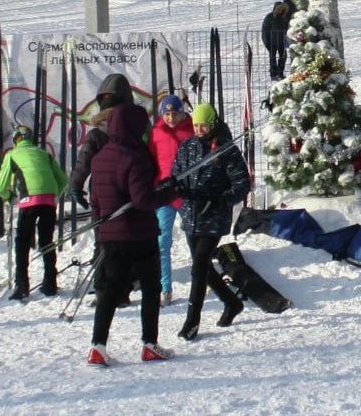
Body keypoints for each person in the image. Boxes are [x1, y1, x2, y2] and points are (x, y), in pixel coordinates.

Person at [87, 103, 177, 366]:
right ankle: (150, 344)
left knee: (110, 291)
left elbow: (95, 202)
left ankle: (98, 346)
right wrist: (170, 192)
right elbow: (142, 200)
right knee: (150, 288)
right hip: (139, 235)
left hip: (110, 237)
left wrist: (102, 229)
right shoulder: (135, 156)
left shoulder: (99, 157)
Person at [170, 102, 247, 341]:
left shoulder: (226, 150)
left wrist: (220, 200)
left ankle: (192, 321)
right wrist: (173, 187)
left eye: (203, 125)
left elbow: (242, 184)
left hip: (214, 216)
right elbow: (176, 174)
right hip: (191, 215)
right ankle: (232, 302)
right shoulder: (187, 147)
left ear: (212, 124)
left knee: (200, 263)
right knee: (201, 267)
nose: (199, 129)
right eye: (195, 125)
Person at [0, 126, 67, 300]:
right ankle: (50, 284)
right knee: (46, 242)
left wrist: (10, 196)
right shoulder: (44, 154)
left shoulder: (12, 155)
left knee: (22, 242)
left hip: (29, 201)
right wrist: (54, 195)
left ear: (16, 139)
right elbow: (63, 179)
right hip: (49, 200)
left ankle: (22, 286)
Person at [147, 95, 193, 306]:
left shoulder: (191, 130)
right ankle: (165, 287)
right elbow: (150, 160)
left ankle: (203, 278)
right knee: (162, 241)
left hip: (186, 192)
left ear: (182, 112)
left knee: (195, 238)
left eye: (175, 113)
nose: (171, 117)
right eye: (167, 114)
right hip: (164, 193)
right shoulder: (156, 132)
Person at [69, 73, 135, 207]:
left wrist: (75, 186)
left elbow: (83, 162)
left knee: (104, 226)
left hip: (102, 189)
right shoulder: (139, 126)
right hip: (132, 186)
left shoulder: (96, 134)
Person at [261, 1, 291, 79]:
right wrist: (266, 42)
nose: (280, 10)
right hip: (272, 42)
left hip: (282, 42)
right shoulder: (269, 17)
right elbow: (264, 30)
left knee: (283, 57)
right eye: (279, 8)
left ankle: (280, 73)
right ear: (275, 8)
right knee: (272, 58)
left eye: (282, 9)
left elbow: (287, 28)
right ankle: (273, 74)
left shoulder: (284, 17)